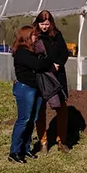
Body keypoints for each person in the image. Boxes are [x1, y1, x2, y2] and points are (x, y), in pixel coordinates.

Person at [9, 26, 58, 164]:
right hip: (25, 89)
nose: (36, 37)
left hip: (36, 89)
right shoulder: (22, 53)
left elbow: (40, 63)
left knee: (32, 119)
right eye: (33, 35)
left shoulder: (31, 51)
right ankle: (14, 151)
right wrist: (49, 61)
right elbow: (38, 65)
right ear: (26, 37)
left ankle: (25, 148)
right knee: (24, 119)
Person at [33, 10, 71, 154]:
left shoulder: (57, 35)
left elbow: (64, 53)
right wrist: (48, 66)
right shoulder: (34, 37)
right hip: (42, 76)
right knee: (40, 108)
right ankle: (43, 141)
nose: (44, 27)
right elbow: (35, 57)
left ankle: (62, 140)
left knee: (61, 107)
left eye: (47, 24)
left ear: (51, 23)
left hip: (58, 75)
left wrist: (58, 64)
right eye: (42, 24)